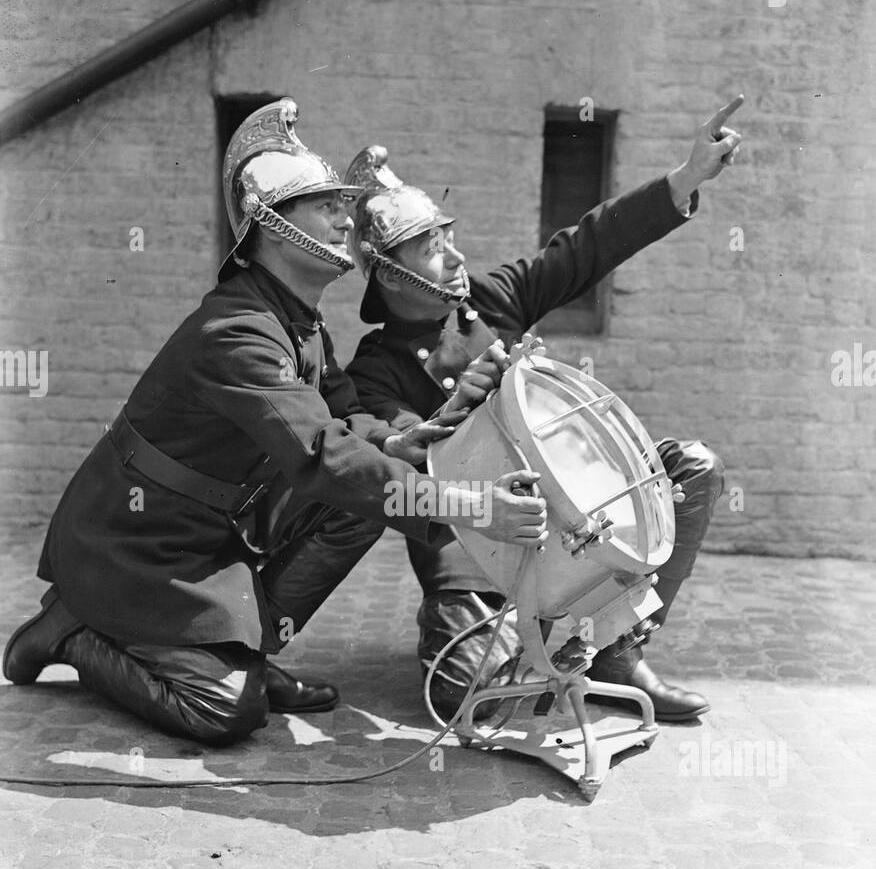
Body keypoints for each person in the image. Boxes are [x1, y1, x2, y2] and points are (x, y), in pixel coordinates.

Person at [3, 99, 545, 745]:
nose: (348, 217)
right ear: (271, 223)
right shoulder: (236, 332)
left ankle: (249, 654)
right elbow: (323, 455)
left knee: (364, 502)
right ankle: (73, 629)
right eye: (326, 205)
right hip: (135, 549)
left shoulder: (299, 322)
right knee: (228, 713)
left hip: (207, 536)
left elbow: (350, 420)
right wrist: (467, 505)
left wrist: (415, 434)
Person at [343, 99, 744, 723]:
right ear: (390, 275)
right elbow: (398, 459)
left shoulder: (491, 300)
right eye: (430, 249)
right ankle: (505, 644)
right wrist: (457, 405)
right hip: (475, 545)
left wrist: (685, 177)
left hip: (575, 504)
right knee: (469, 701)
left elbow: (586, 246)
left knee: (693, 467)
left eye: (450, 239)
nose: (455, 259)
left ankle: (617, 646)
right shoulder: (372, 370)